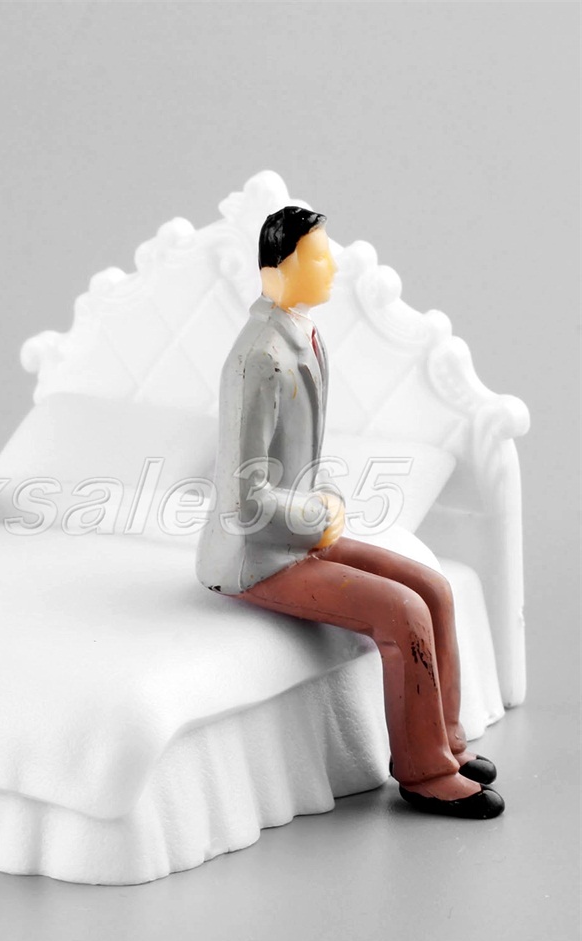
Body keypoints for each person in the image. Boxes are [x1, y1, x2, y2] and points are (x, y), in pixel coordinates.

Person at [196, 207, 504, 819]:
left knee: (434, 588)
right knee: (403, 611)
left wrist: (327, 498)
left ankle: (444, 739)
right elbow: (242, 497)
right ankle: (424, 772)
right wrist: (317, 516)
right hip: (257, 555)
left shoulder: (302, 335)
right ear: (276, 271)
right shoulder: (259, 357)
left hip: (296, 535)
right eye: (317, 256)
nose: (331, 265)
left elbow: (300, 455)